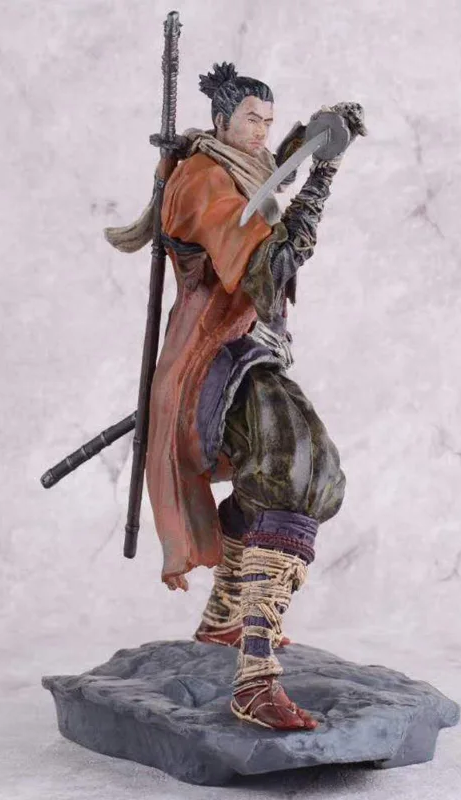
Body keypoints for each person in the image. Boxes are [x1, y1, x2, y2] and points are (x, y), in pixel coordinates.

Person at [106, 62, 365, 731]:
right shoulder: (201, 179)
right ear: (221, 120)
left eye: (269, 122)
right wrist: (325, 175)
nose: (262, 132)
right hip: (211, 354)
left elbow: (270, 176)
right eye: (252, 119)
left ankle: (225, 615)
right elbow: (269, 267)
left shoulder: (237, 164)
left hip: (250, 347)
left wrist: (316, 136)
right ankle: (255, 680)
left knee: (282, 470)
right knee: (299, 467)